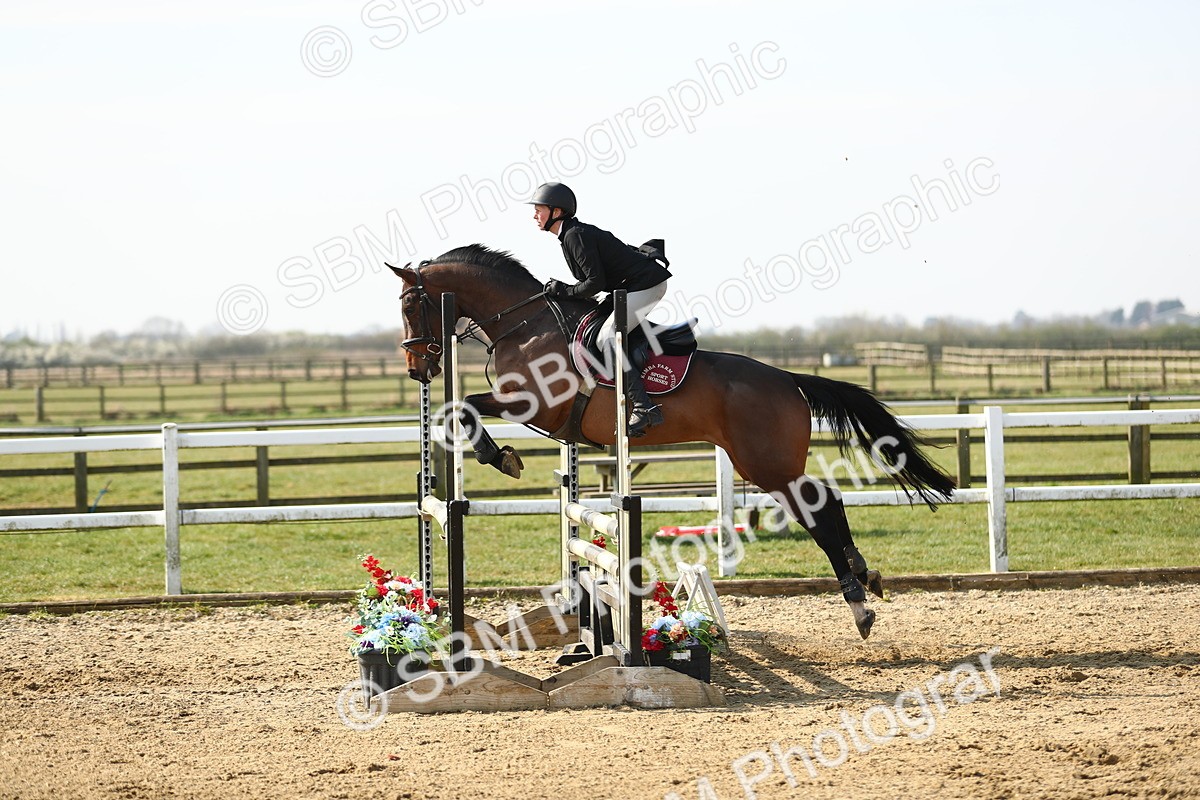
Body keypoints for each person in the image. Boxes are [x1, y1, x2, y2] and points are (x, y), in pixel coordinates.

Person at [527, 182, 671, 437]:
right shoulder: (569, 235)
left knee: (608, 338)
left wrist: (563, 290)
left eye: (539, 209)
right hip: (630, 287)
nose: (535, 215)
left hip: (646, 285)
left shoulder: (574, 235)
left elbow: (595, 283)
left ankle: (643, 406)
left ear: (557, 212)